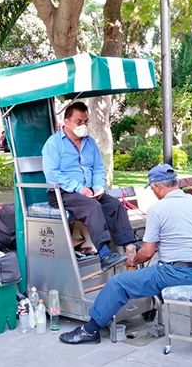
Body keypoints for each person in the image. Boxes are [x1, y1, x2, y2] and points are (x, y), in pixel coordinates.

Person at [59, 163, 192, 344]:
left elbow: (148, 253)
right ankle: (149, 307)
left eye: (152, 188)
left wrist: (132, 259)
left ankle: (89, 331)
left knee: (118, 283)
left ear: (157, 186)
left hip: (178, 274)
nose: (153, 192)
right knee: (153, 272)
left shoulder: (158, 210)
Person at [41, 101, 136, 270]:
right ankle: (104, 253)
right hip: (62, 193)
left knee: (114, 205)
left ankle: (130, 247)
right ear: (67, 122)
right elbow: (52, 173)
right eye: (79, 121)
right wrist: (79, 188)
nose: (83, 125)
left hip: (89, 192)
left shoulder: (89, 142)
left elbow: (98, 167)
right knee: (92, 207)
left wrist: (98, 186)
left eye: (86, 121)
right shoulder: (54, 143)